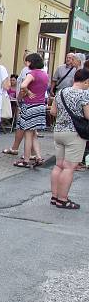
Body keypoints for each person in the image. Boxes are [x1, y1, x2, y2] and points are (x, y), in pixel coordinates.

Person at [50, 67, 89, 209]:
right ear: (86, 81)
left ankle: (54, 196)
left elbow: (53, 112)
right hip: (75, 134)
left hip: (59, 131)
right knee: (69, 167)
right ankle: (62, 199)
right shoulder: (84, 95)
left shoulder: (60, 92)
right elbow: (88, 116)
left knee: (58, 165)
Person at [13, 53, 48, 168]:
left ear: (31, 62)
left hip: (30, 105)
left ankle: (26, 160)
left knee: (28, 134)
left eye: (27, 61)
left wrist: (28, 92)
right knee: (34, 134)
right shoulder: (44, 74)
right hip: (40, 105)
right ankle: (38, 157)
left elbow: (23, 85)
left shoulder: (32, 73)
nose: (26, 64)